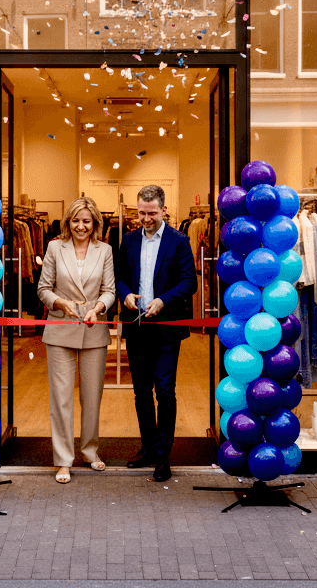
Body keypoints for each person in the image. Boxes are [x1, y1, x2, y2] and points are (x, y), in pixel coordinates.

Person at [114, 184, 196, 483]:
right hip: (136, 326)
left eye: (151, 213)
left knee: (165, 391)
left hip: (165, 330)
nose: (145, 219)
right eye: (140, 213)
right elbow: (120, 277)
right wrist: (125, 295)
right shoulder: (128, 240)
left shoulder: (179, 241)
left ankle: (163, 455)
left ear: (163, 209)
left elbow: (190, 282)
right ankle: (148, 448)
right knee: (140, 393)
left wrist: (164, 300)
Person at [37, 197, 115, 484]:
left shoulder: (104, 250)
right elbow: (43, 288)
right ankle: (63, 459)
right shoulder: (55, 247)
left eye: (86, 221)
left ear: (95, 223)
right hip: (60, 328)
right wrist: (58, 302)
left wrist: (100, 307)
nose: (81, 226)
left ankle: (90, 451)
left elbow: (110, 289)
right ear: (67, 222)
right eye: (75, 220)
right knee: (61, 398)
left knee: (92, 397)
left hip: (94, 329)